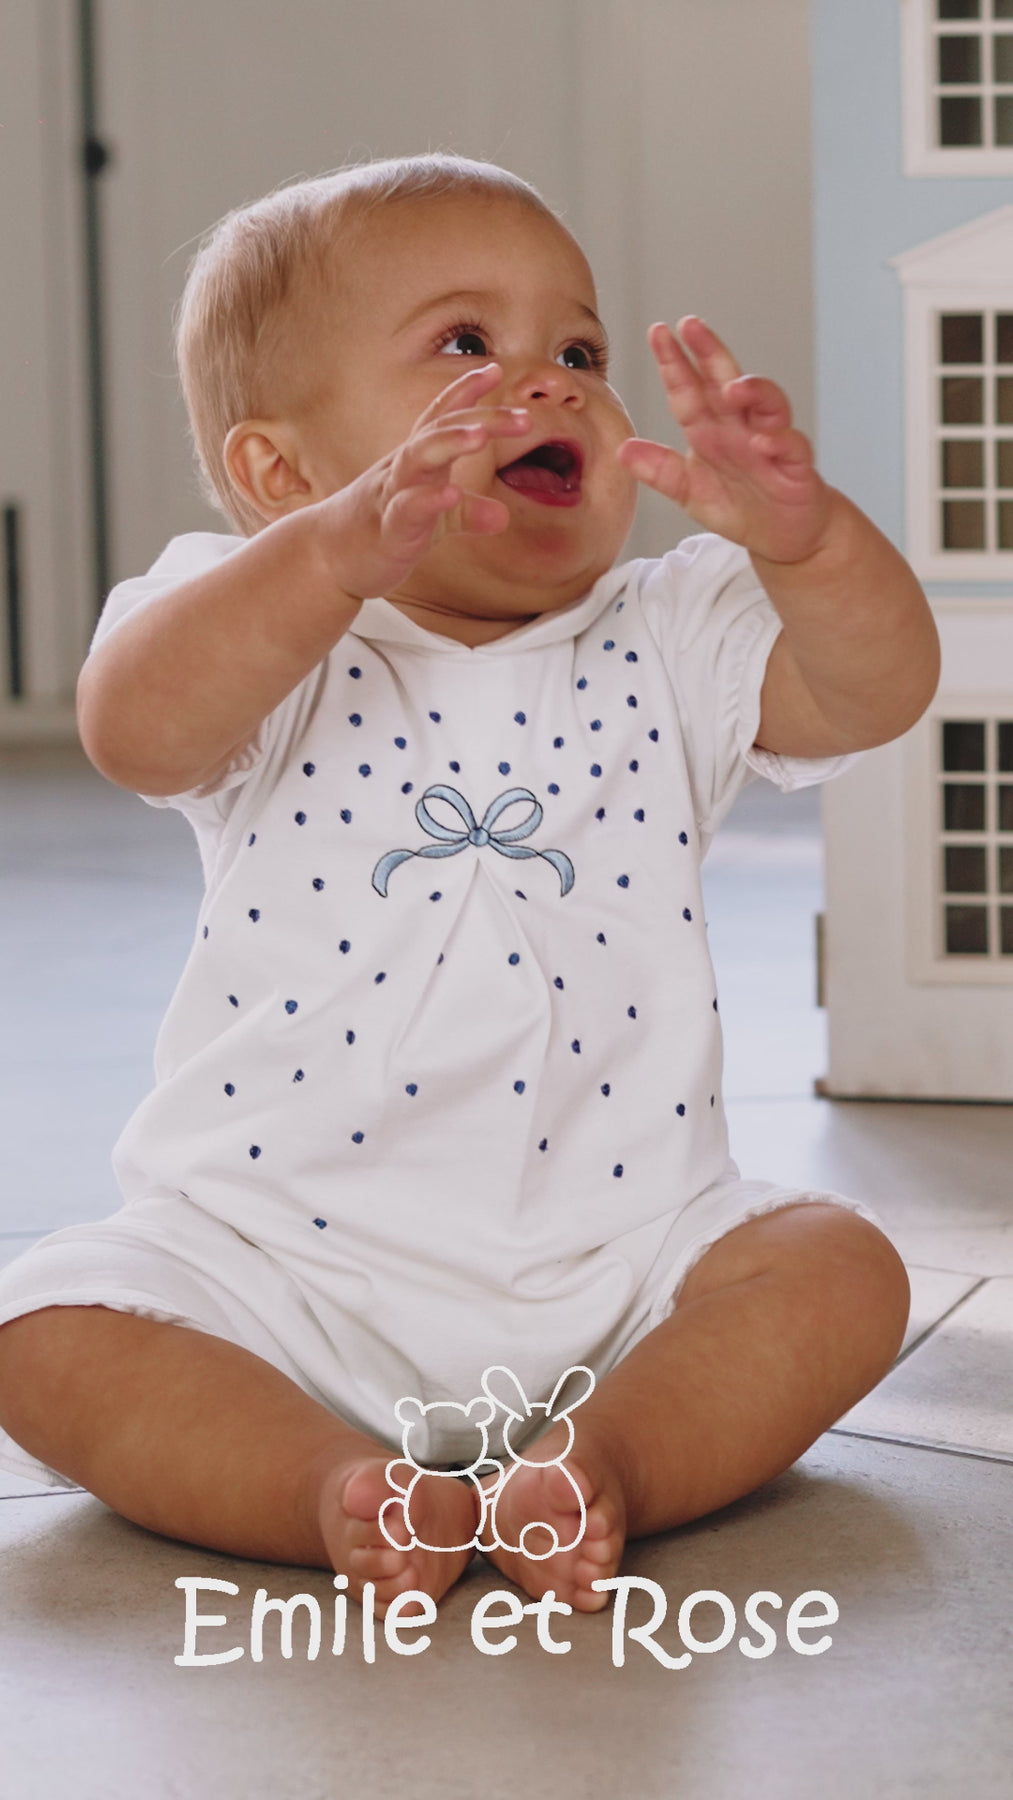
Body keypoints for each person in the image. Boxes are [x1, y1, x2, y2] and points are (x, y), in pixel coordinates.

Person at [0, 154, 936, 1618]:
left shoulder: (673, 628)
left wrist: (807, 546)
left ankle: (602, 1462)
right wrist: (328, 560)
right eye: (464, 344)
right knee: (43, 1332)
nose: (549, 382)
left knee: (842, 1272)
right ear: (281, 476)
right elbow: (136, 729)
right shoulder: (255, 627)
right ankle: (326, 1486)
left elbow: (876, 690)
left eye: (580, 352)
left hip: (625, 1268)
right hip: (270, 1268)